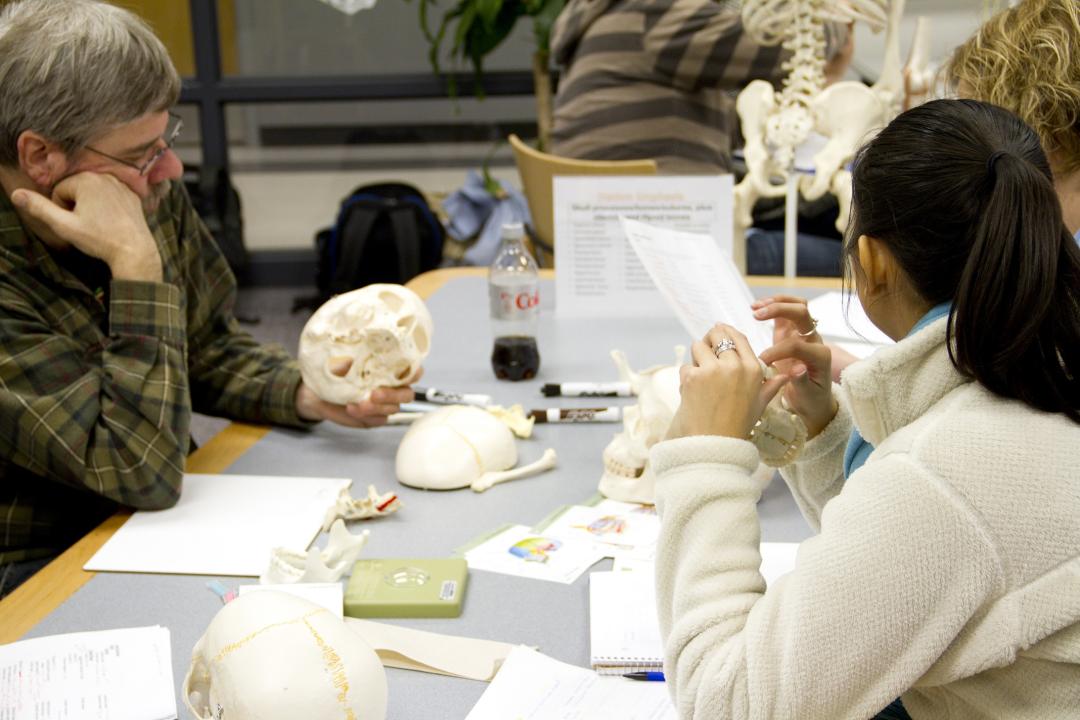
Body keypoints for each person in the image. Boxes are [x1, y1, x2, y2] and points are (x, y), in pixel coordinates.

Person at [653, 99, 1080, 719]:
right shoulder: (1042, 360)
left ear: (872, 261)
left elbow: (728, 700)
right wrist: (826, 427)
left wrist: (707, 456)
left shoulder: (947, 470)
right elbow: (911, 570)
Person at [0, 0, 415, 597]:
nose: (168, 169)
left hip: (162, 511)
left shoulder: (143, 189)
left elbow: (205, 345)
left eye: (164, 138)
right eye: (141, 153)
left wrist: (309, 392)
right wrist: (137, 268)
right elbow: (135, 469)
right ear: (40, 157)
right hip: (41, 554)